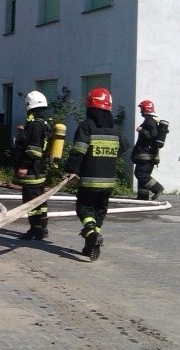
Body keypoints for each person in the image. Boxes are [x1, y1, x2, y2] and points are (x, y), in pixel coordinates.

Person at [63, 88, 130, 262]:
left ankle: (91, 234)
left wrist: (71, 171)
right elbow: (123, 148)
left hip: (89, 180)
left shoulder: (87, 126)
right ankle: (89, 245)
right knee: (99, 211)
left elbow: (78, 151)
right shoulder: (115, 128)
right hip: (108, 181)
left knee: (84, 209)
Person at [12, 91, 52, 240]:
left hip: (32, 169)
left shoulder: (35, 125)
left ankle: (35, 229)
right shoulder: (44, 123)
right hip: (39, 168)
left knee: (31, 200)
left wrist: (23, 166)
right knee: (40, 199)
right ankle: (42, 228)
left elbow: (34, 149)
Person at [132, 99, 164, 200]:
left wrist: (142, 130)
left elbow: (153, 135)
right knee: (143, 174)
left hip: (146, 155)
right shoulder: (150, 121)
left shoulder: (149, 121)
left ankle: (157, 188)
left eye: (141, 109)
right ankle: (142, 196)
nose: (140, 111)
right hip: (147, 154)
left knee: (140, 174)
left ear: (144, 109)